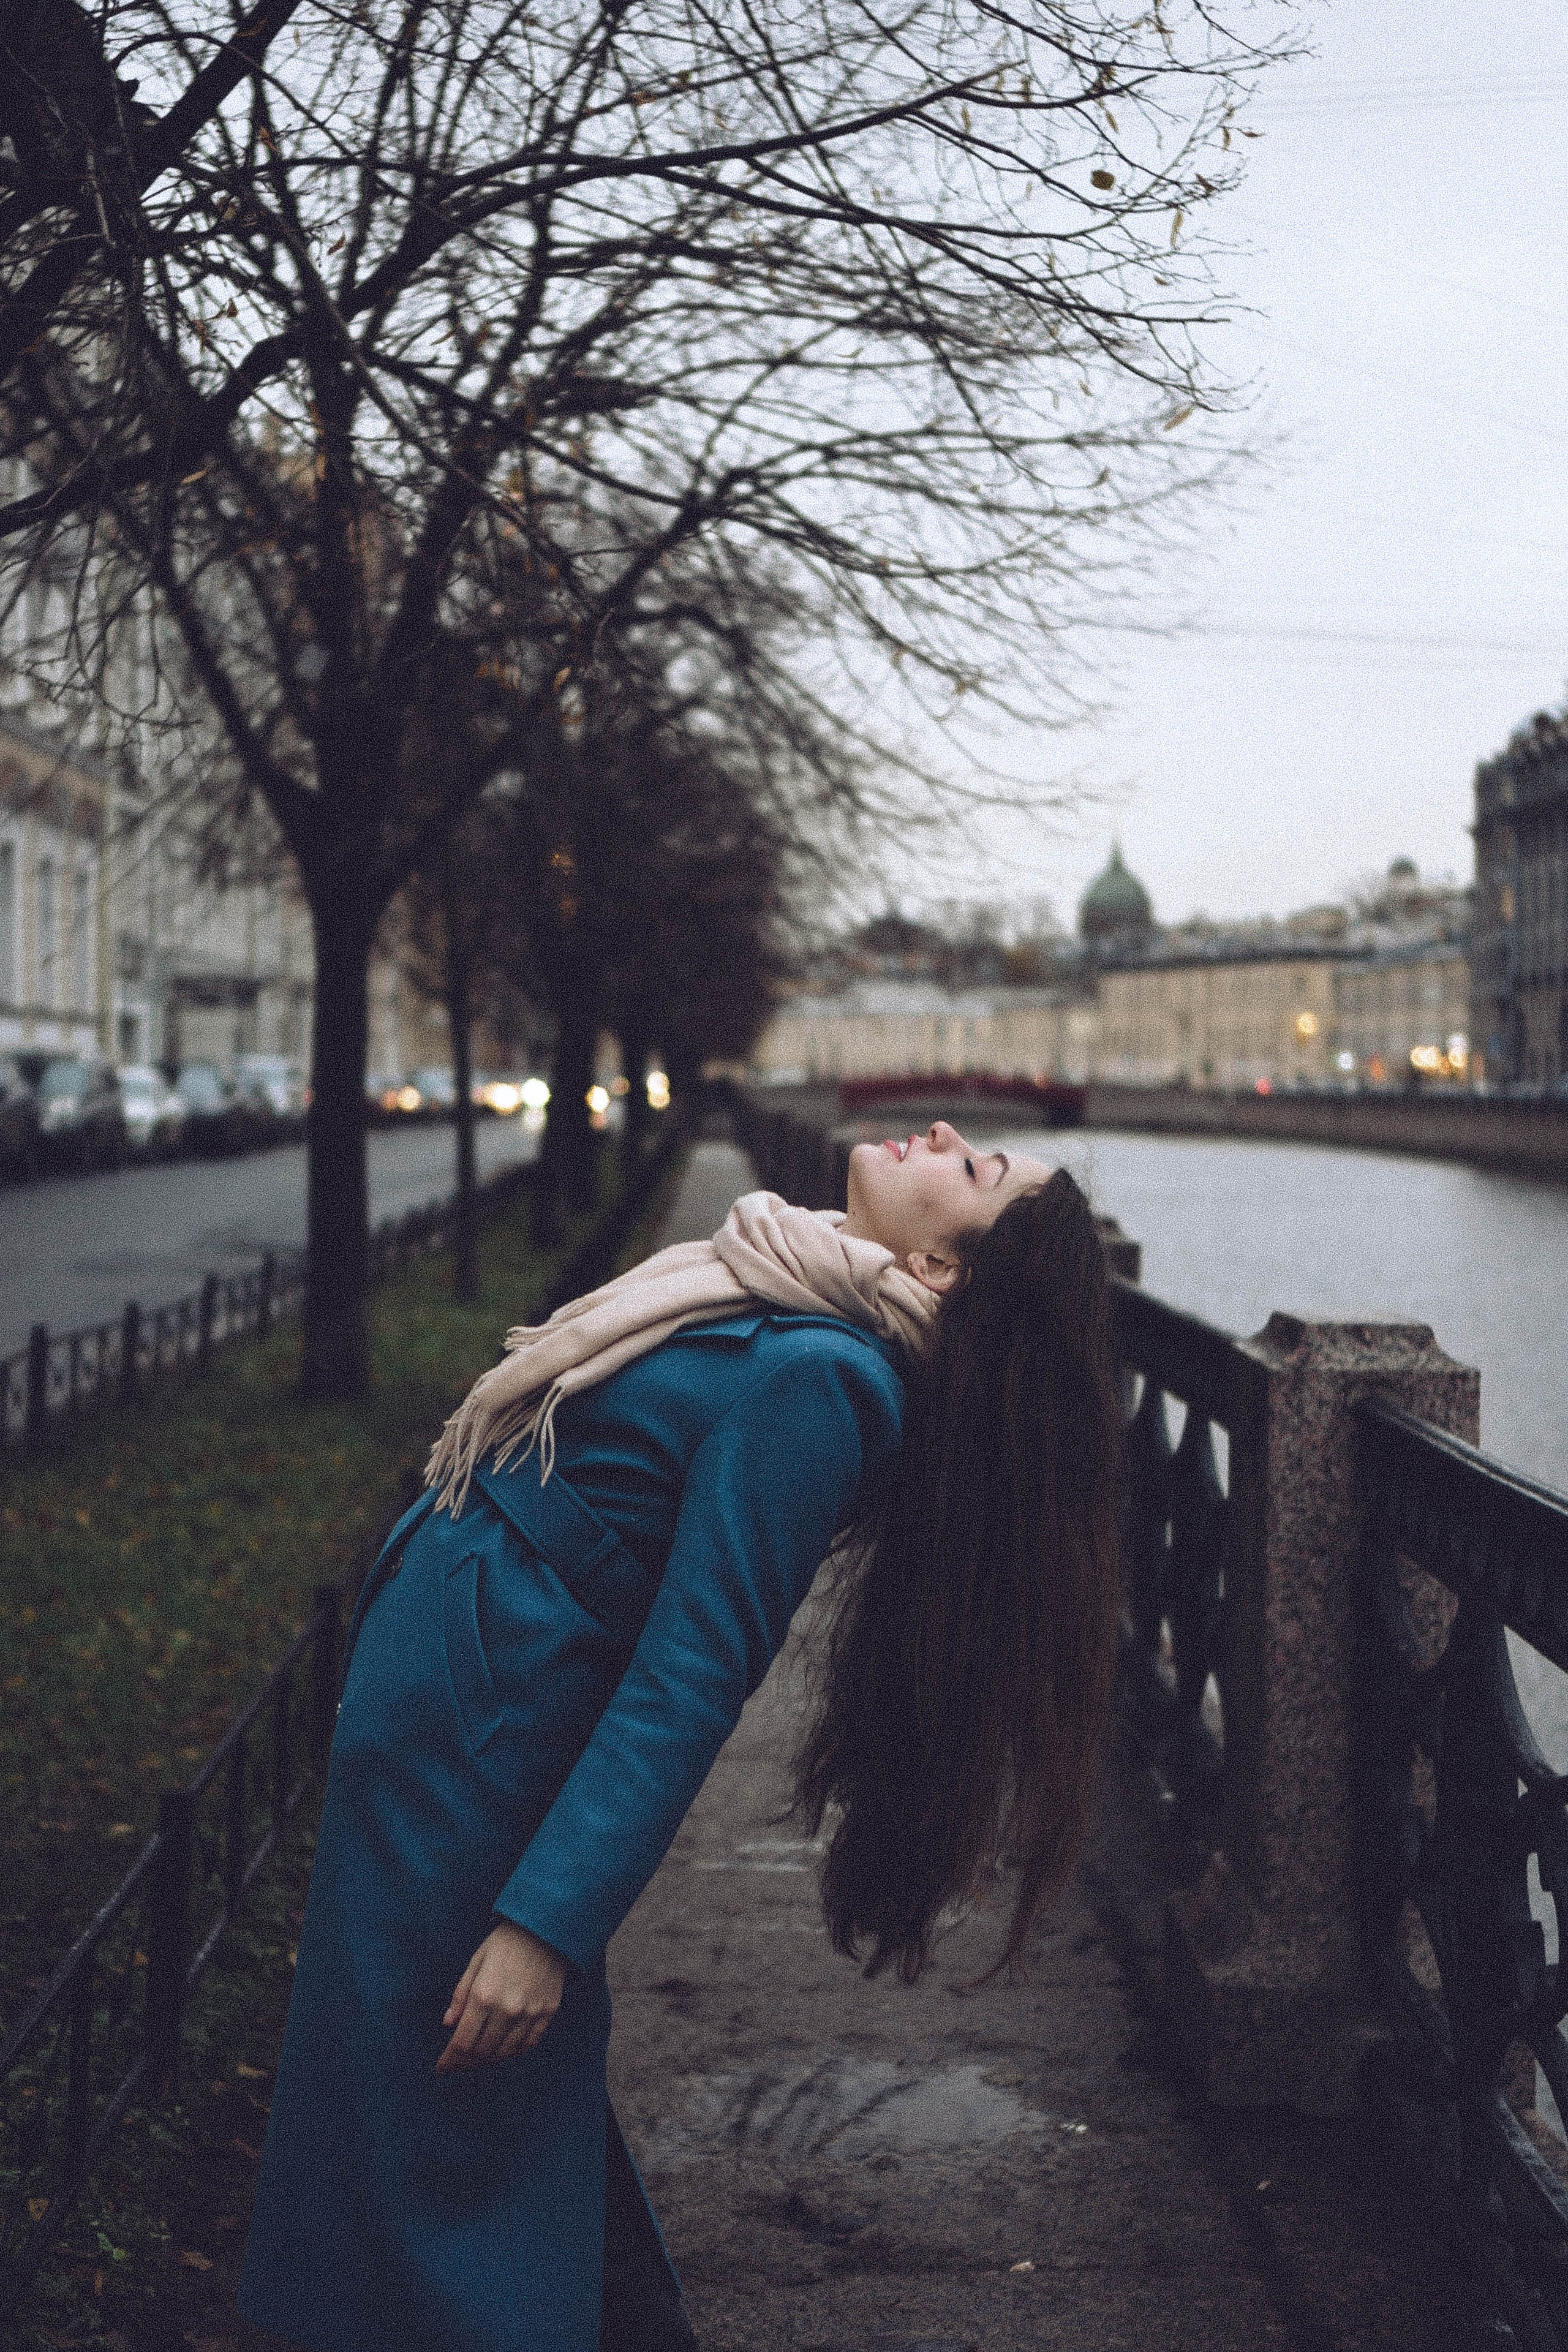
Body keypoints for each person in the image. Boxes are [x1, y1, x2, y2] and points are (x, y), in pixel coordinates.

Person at [238, 1122, 1123, 2352]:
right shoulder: (782, 1285)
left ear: (937, 1270)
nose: (944, 1135)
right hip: (452, 1735)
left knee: (428, 2135)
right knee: (431, 2114)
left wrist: (547, 1927)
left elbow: (695, 1673)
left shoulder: (827, 1382)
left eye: (973, 1172)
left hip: (485, 1763)